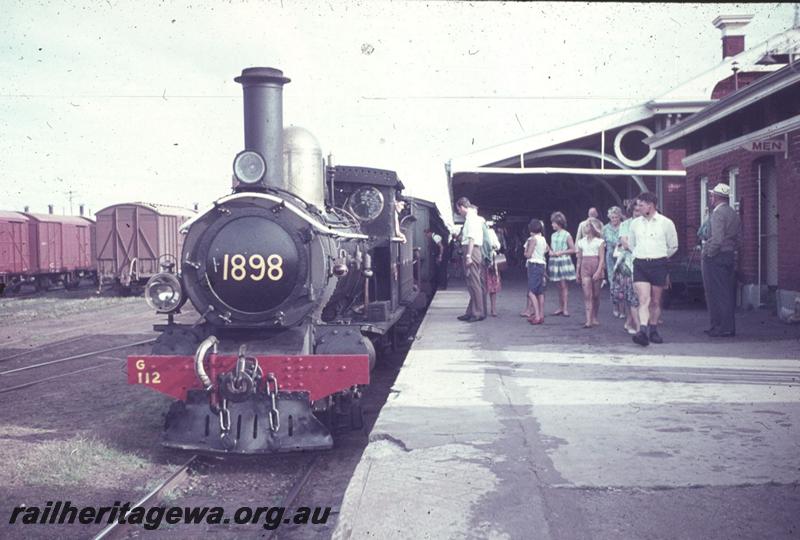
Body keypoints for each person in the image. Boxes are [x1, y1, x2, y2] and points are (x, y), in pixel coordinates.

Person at [624, 192, 678, 346]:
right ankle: (642, 330)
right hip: (640, 263)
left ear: (651, 205)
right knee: (643, 299)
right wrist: (639, 255)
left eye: (641, 205)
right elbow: (632, 244)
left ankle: (653, 330)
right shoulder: (635, 224)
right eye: (638, 205)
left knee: (655, 300)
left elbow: (673, 245)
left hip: (659, 264)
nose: (638, 208)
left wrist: (660, 256)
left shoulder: (665, 223)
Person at [701, 183, 741, 337]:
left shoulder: (717, 214)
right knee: (726, 293)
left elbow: (716, 239)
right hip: (729, 255)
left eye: (712, 195)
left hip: (716, 256)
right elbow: (739, 239)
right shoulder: (733, 213)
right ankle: (727, 326)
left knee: (714, 293)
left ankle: (720, 327)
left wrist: (709, 253)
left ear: (717, 197)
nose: (710, 198)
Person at [455, 197, 486, 322]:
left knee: (474, 283)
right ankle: (471, 311)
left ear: (462, 207)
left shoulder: (471, 219)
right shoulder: (473, 218)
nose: (459, 212)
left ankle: (478, 312)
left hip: (471, 250)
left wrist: (468, 255)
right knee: (472, 283)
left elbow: (472, 238)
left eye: (459, 210)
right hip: (473, 250)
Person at [613, 200, 640, 335]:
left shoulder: (646, 224)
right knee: (631, 293)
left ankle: (631, 322)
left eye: (640, 210)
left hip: (642, 261)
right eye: (635, 210)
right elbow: (624, 242)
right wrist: (638, 251)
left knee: (639, 295)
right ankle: (634, 323)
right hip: (628, 262)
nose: (638, 213)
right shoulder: (625, 224)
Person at [576, 217, 605, 328]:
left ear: (593, 228)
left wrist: (599, 271)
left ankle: (594, 317)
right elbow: (579, 258)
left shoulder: (600, 242)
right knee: (587, 295)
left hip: (596, 265)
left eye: (587, 226)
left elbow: (602, 258)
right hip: (585, 267)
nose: (585, 227)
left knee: (596, 295)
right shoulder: (581, 242)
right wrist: (577, 272)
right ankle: (588, 320)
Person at [547, 211, 577, 316]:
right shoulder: (553, 235)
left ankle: (565, 308)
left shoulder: (567, 235)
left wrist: (562, 252)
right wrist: (550, 251)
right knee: (558, 286)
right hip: (554, 261)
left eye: (553, 223)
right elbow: (551, 248)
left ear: (559, 223)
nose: (552, 224)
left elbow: (573, 249)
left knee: (564, 285)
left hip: (563, 261)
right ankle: (560, 307)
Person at [523, 219, 548, 325]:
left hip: (534, 265)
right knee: (540, 292)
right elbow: (547, 250)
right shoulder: (543, 239)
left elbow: (528, 254)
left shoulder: (532, 239)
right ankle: (541, 315)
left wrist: (525, 251)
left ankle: (536, 315)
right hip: (542, 264)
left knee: (531, 292)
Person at [603, 206, 624, 318]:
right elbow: (602, 243)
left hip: (622, 257)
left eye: (616, 217)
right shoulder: (605, 228)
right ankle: (615, 306)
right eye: (612, 217)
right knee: (613, 282)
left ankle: (623, 309)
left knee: (622, 282)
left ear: (620, 216)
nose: (614, 219)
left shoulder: (624, 226)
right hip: (610, 257)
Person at [485, 223, 502, 317]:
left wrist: (494, 246)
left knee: (493, 287)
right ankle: (484, 308)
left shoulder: (490, 232)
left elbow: (498, 245)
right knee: (483, 287)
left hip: (491, 261)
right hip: (482, 261)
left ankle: (493, 308)